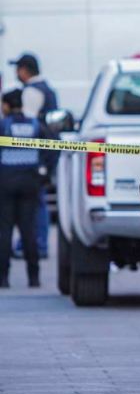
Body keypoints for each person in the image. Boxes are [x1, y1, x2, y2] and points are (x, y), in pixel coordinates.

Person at [0, 89, 56, 288]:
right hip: (30, 184)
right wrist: (44, 175)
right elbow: (52, 148)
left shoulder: (3, 125)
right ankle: (34, 277)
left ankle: (3, 278)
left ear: (7, 106)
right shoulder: (35, 125)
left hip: (5, 184)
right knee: (29, 231)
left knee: (4, 232)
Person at [8, 53, 58, 259]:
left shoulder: (32, 91)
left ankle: (35, 244)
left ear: (24, 70)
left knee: (34, 200)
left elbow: (27, 126)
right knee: (37, 199)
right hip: (47, 152)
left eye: (18, 69)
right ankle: (34, 243)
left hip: (37, 154)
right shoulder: (46, 88)